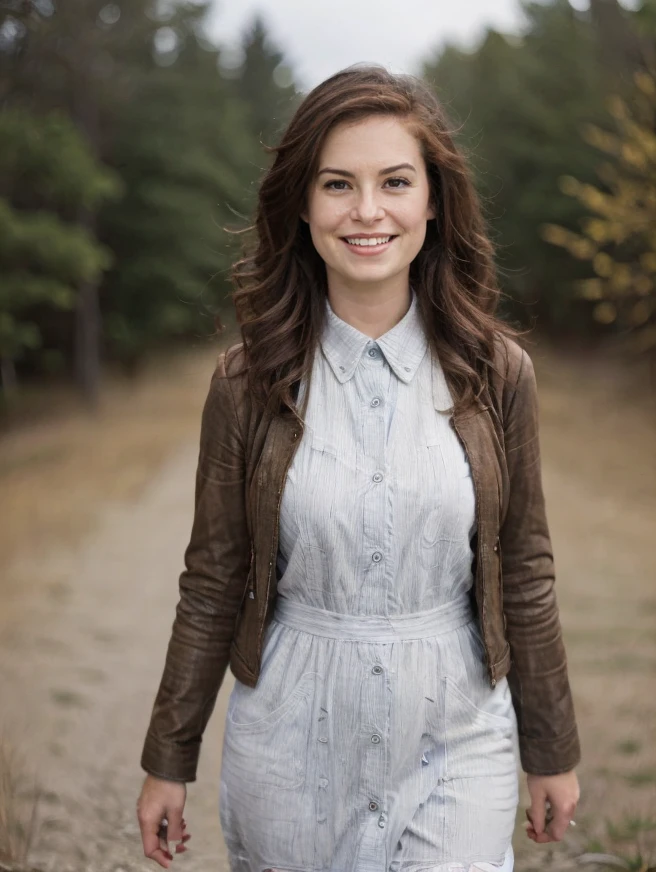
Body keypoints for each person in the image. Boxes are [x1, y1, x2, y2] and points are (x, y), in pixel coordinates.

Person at [136, 65, 581, 871]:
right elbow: (212, 580)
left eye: (395, 182)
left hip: (458, 731)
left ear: (433, 201)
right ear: (303, 203)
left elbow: (525, 571)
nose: (367, 211)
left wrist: (552, 748)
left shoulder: (499, 374)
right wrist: (170, 758)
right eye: (338, 183)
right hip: (289, 738)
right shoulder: (246, 383)